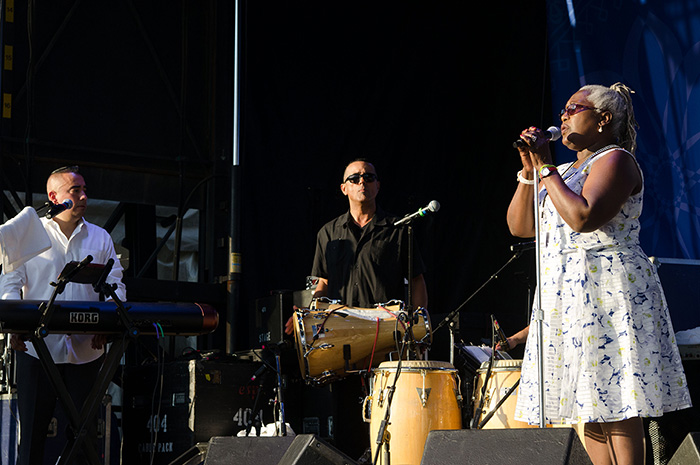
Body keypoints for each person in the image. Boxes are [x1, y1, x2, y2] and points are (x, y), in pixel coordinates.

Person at [505, 83, 691, 465]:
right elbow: (522, 226)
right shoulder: (565, 172)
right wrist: (529, 173)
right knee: (588, 404)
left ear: (603, 119)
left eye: (574, 108)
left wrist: (545, 166)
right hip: (569, 295)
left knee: (617, 400)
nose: (564, 115)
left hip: (607, 291)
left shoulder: (616, 160)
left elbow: (583, 217)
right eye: (563, 110)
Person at [1, 165, 126, 465]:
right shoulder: (31, 234)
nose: (84, 196)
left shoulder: (100, 238)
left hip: (85, 352)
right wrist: (13, 326)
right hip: (37, 351)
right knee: (31, 438)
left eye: (84, 189)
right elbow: (10, 284)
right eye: (75, 190)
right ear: (53, 196)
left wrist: (109, 323)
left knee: (84, 438)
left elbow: (116, 286)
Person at [286, 159, 428, 326]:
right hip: (340, 328)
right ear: (344, 188)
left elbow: (416, 280)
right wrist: (308, 316)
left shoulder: (398, 229)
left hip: (386, 328)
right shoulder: (327, 233)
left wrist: (418, 326)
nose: (362, 181)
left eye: (368, 177)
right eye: (354, 178)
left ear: (378, 186)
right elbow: (323, 282)